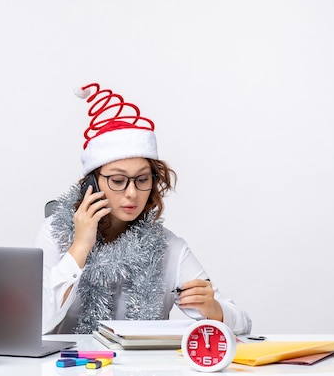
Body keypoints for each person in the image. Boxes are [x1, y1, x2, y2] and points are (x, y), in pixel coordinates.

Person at [33, 82, 252, 335]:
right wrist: (79, 247)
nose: (131, 193)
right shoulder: (54, 234)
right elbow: (36, 323)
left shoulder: (169, 247)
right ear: (92, 184)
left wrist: (214, 309)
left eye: (142, 179)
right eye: (117, 180)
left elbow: (244, 324)